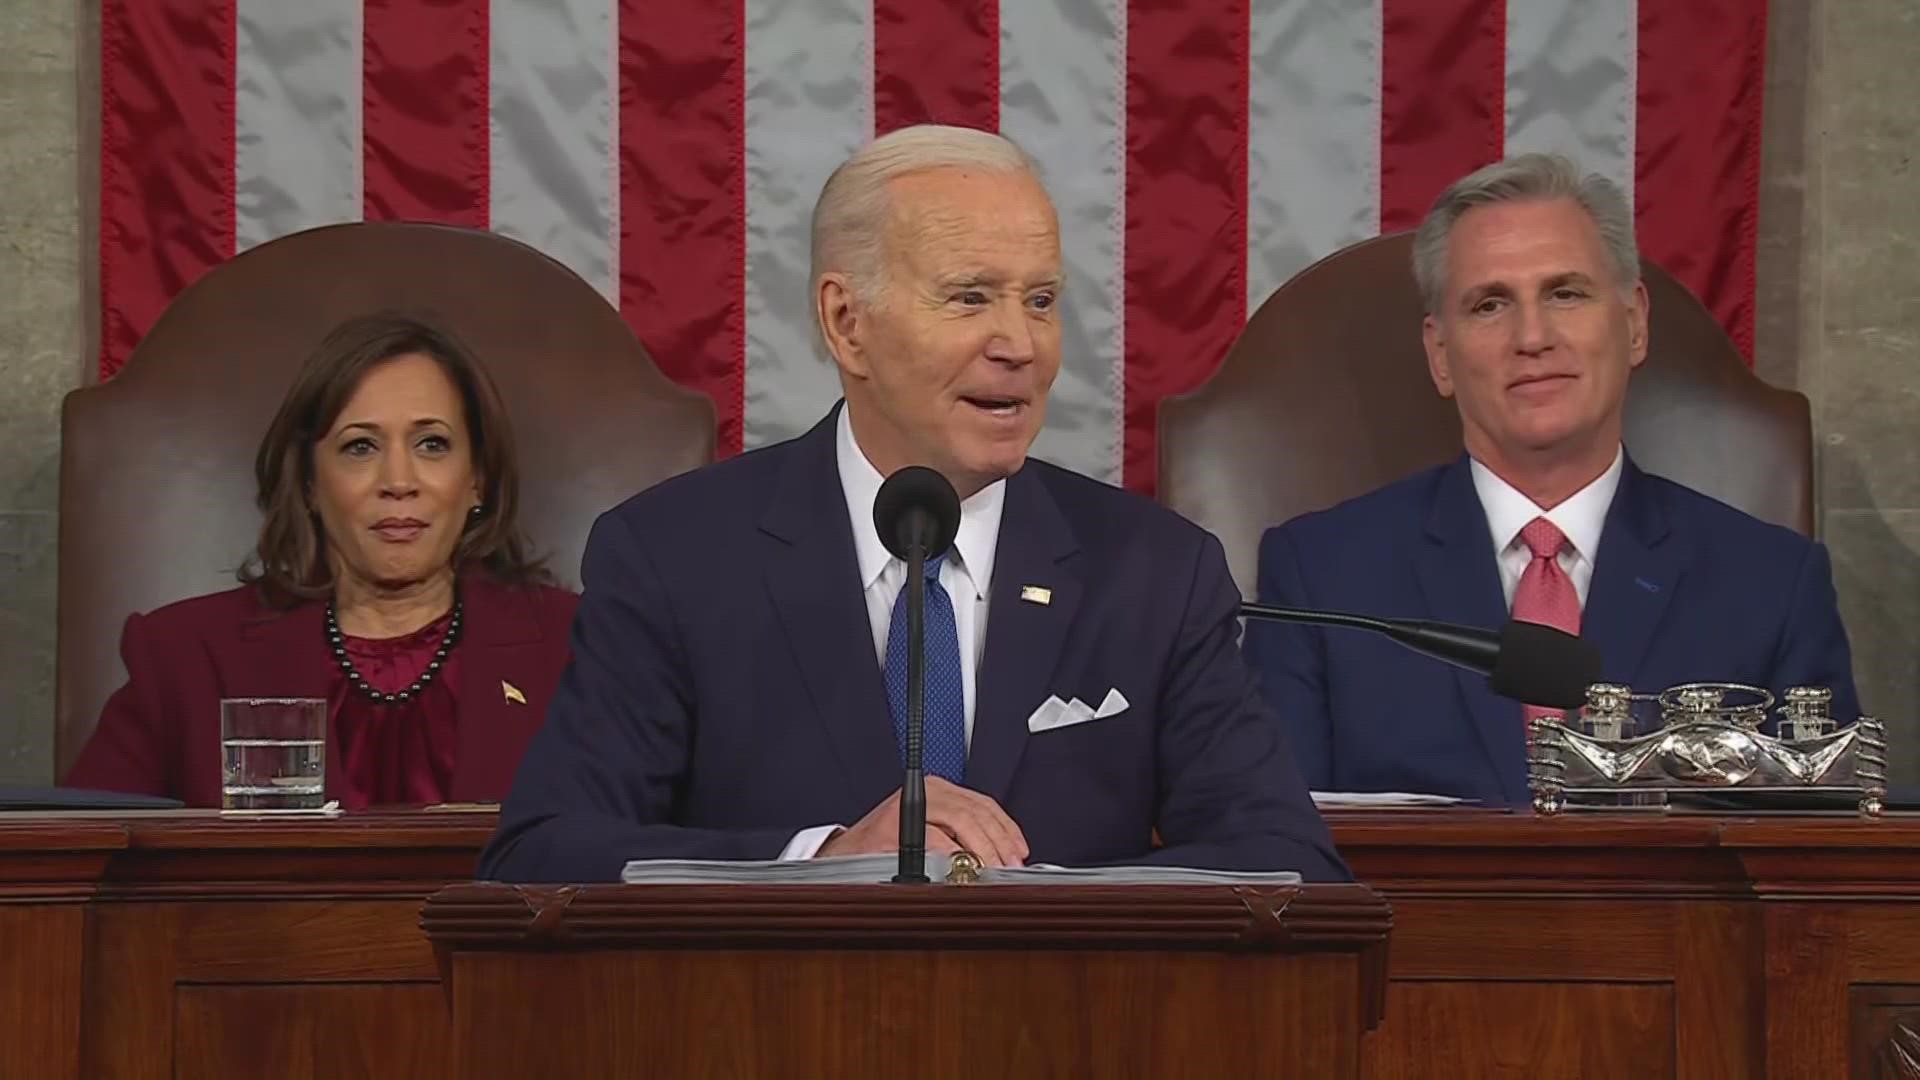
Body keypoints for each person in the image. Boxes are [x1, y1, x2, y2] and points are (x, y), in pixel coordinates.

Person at [480, 124, 1345, 882]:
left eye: (1040, 301)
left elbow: (1288, 859)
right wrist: (819, 860)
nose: (1021, 346)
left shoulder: (1155, 571)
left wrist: (1049, 905)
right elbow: (545, 854)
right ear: (846, 322)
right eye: (970, 297)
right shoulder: (676, 557)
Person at [1244, 153, 1859, 806]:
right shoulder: (1321, 576)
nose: (1532, 336)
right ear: (1440, 355)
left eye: (1565, 293)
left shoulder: (1772, 583)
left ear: (1634, 324)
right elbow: (1284, 854)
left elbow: (1817, 865)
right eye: (1489, 305)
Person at [65, 313, 580, 808]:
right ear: (310, 483)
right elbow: (81, 867)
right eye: (360, 447)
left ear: (478, 478)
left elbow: (642, 855)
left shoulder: (578, 647)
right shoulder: (186, 657)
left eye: (432, 444)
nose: (398, 482)